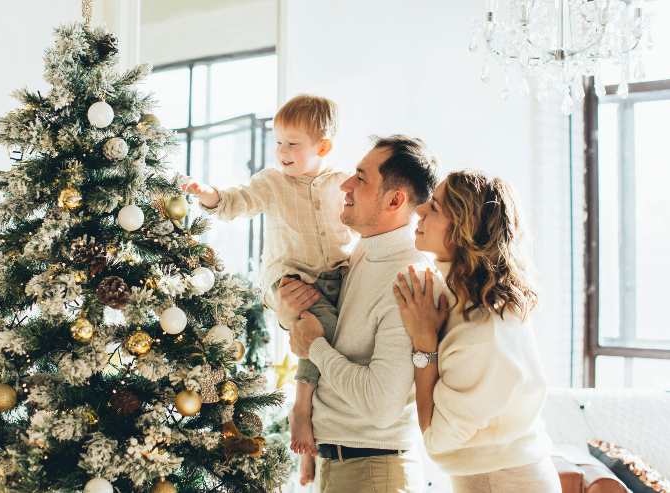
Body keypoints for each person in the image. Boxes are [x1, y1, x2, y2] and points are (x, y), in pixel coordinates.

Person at [182, 94, 353, 482]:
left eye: (293, 144)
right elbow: (236, 202)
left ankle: (322, 442)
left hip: (339, 276)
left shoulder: (341, 183)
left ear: (322, 147)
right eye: (278, 142)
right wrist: (209, 195)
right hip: (292, 278)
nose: (282, 152)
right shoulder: (273, 182)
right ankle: (302, 412)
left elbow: (361, 223)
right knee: (318, 334)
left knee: (344, 348)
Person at [281, 135, 438, 491]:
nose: (346, 184)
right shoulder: (365, 252)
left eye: (362, 178)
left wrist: (315, 347)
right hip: (340, 462)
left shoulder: (410, 280)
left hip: (372, 472)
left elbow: (380, 405)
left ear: (395, 199)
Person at [393, 170, 560, 493]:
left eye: (436, 208)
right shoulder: (471, 300)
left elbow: (437, 440)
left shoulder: (481, 330)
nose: (419, 210)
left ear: (462, 231)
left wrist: (425, 346)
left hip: (503, 484)